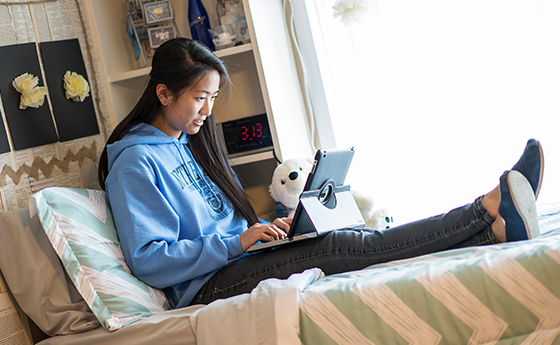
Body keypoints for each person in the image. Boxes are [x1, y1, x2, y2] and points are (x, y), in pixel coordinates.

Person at [98, 38, 544, 309]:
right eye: (199, 98)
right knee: (347, 244)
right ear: (163, 92)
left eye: (213, 98)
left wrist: (270, 230)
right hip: (208, 288)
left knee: (347, 235)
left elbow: (227, 225)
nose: (208, 111)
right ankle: (485, 210)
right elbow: (150, 260)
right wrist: (238, 241)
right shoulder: (134, 162)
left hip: (238, 262)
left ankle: (495, 230)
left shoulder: (186, 146)